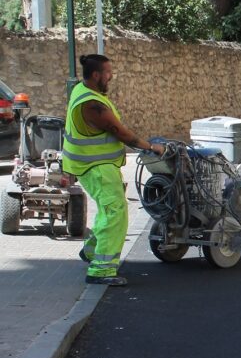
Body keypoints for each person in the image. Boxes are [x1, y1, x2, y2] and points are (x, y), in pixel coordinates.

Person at [62, 54, 165, 286]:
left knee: (108, 211)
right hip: (96, 167)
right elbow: (121, 133)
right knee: (115, 213)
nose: (111, 77)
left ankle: (91, 250)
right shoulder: (92, 104)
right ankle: (101, 270)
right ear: (97, 75)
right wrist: (152, 148)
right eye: (108, 72)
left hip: (91, 165)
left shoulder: (81, 90)